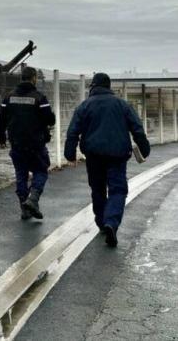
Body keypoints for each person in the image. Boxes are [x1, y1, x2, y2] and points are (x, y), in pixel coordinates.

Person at [64, 72, 150, 247]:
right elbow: (137, 128)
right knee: (118, 190)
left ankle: (102, 222)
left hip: (94, 156)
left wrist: (70, 154)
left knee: (97, 189)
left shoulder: (85, 106)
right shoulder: (122, 105)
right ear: (109, 87)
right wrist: (144, 148)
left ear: (93, 87)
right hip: (117, 156)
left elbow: (73, 131)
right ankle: (111, 222)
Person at [0, 67, 56, 220]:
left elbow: (1, 120)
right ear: (34, 78)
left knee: (21, 174)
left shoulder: (8, 97)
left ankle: (25, 208)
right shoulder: (39, 97)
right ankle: (33, 199)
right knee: (41, 170)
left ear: (21, 78)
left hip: (16, 144)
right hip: (36, 144)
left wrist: (1, 138)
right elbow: (50, 120)